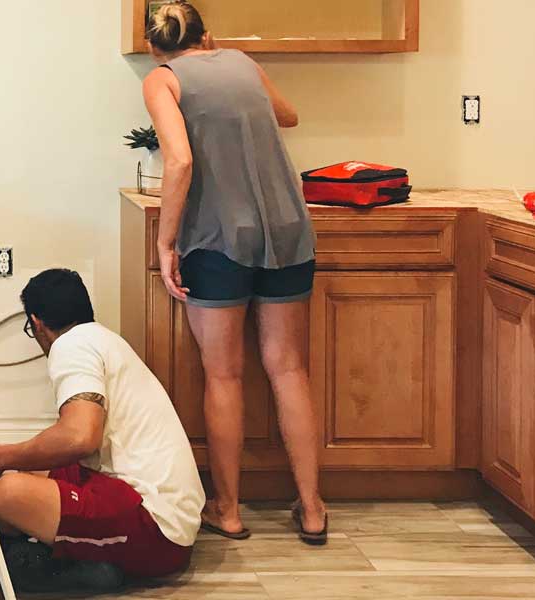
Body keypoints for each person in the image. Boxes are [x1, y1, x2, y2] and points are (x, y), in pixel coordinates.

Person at [140, 1, 328, 545]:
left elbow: (178, 161)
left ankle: (228, 509)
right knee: (288, 368)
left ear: (157, 46)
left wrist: (165, 240)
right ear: (207, 37)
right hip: (289, 228)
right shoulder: (242, 62)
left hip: (221, 236)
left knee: (224, 374)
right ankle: (312, 508)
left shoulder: (162, 81)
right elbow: (287, 115)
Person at [0, 268, 204, 594]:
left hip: (158, 531)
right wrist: (11, 459)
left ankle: (91, 564)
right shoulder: (102, 338)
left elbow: (79, 437)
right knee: (29, 470)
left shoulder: (71, 347)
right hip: (154, 502)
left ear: (37, 322)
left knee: (8, 490)